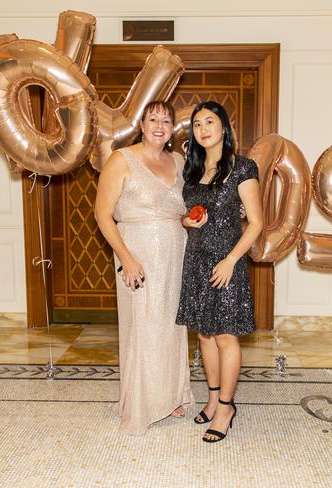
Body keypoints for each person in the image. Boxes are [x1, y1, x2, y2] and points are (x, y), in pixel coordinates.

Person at [94, 101, 193, 435]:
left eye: (167, 120)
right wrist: (126, 257)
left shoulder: (178, 161)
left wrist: (193, 220)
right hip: (137, 254)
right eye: (153, 119)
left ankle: (171, 396)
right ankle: (142, 404)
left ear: (172, 128)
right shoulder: (121, 160)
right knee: (143, 328)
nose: (160, 126)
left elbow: (178, 211)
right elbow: (102, 215)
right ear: (142, 123)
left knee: (172, 326)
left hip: (176, 253)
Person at [176, 101, 262, 443]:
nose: (203, 129)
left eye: (209, 122)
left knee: (225, 335)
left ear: (224, 128)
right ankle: (212, 397)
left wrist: (230, 261)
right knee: (204, 334)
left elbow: (256, 223)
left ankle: (226, 406)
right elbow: (188, 215)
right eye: (197, 124)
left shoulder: (243, 168)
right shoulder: (192, 170)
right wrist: (187, 220)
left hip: (228, 262)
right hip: (196, 259)